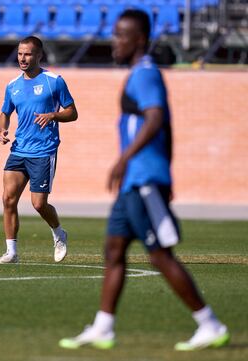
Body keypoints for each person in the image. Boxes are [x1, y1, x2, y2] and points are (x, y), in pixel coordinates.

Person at [59, 9, 229, 351]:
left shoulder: (146, 75)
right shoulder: (139, 73)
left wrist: (124, 159)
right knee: (114, 249)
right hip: (133, 182)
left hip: (144, 178)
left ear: (139, 40)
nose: (114, 41)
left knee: (159, 255)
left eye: (122, 35)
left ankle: (209, 323)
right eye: (115, 34)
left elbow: (155, 120)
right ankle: (103, 327)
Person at [0, 36, 78, 264]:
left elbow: (72, 112)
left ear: (39, 55)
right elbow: (4, 113)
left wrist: (53, 115)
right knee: (8, 199)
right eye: (20, 53)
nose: (22, 58)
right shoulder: (12, 86)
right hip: (19, 150)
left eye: (27, 54)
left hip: (44, 150)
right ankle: (11, 252)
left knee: (38, 204)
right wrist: (2, 130)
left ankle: (59, 233)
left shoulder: (54, 81)